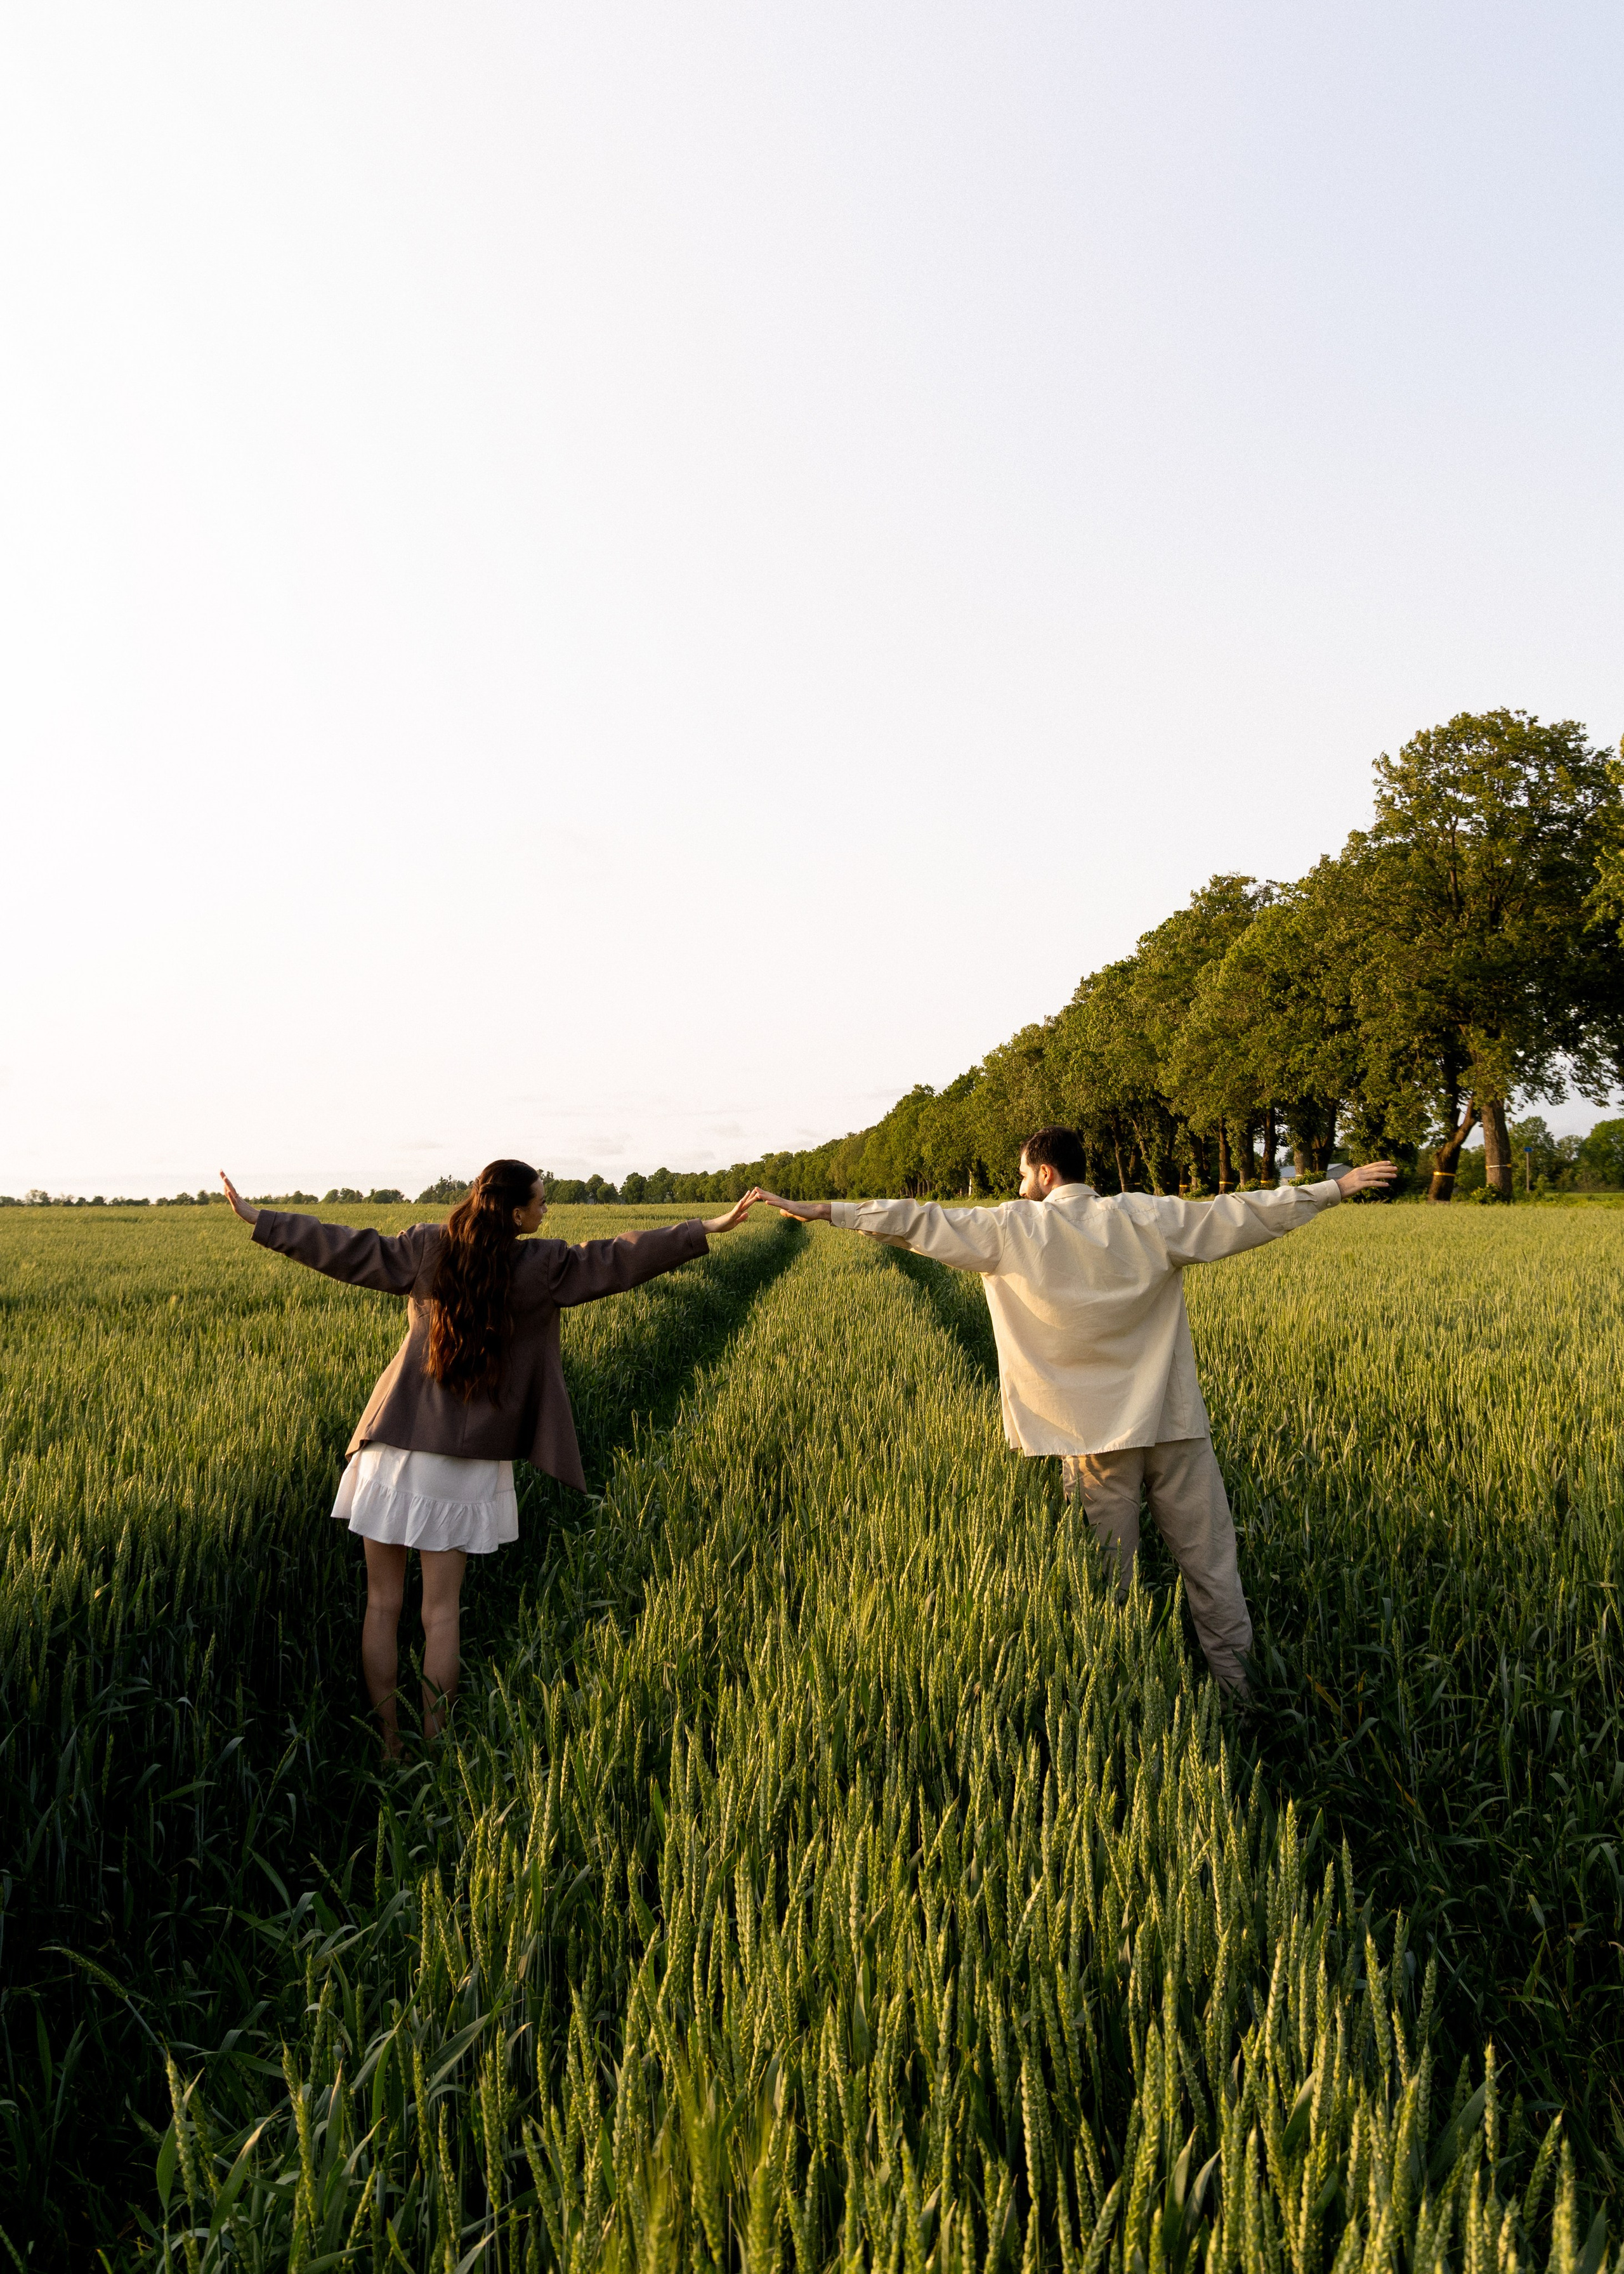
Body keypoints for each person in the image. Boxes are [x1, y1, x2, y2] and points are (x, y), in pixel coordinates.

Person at [756, 1128, 1396, 1692]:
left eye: (1020, 1173)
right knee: (1210, 1563)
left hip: (1089, 1435)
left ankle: (1129, 1693)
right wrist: (1330, 1191)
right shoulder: (1145, 1217)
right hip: (1173, 1424)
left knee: (1108, 1581)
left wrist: (826, 1211)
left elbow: (918, 1221)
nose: (1018, 1183)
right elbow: (1239, 1215)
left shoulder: (1012, 1228)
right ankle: (1241, 1689)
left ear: (1044, 1173)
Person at [220, 1163, 758, 1754]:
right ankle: (432, 1753)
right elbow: (619, 1258)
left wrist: (263, 1220)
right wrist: (706, 1226)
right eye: (541, 1202)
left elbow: (347, 1249)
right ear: (517, 1213)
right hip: (462, 1465)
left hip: (392, 1450)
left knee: (381, 1605)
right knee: (441, 1616)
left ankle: (389, 1746)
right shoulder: (544, 1266)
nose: (546, 1210)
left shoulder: (428, 1247)